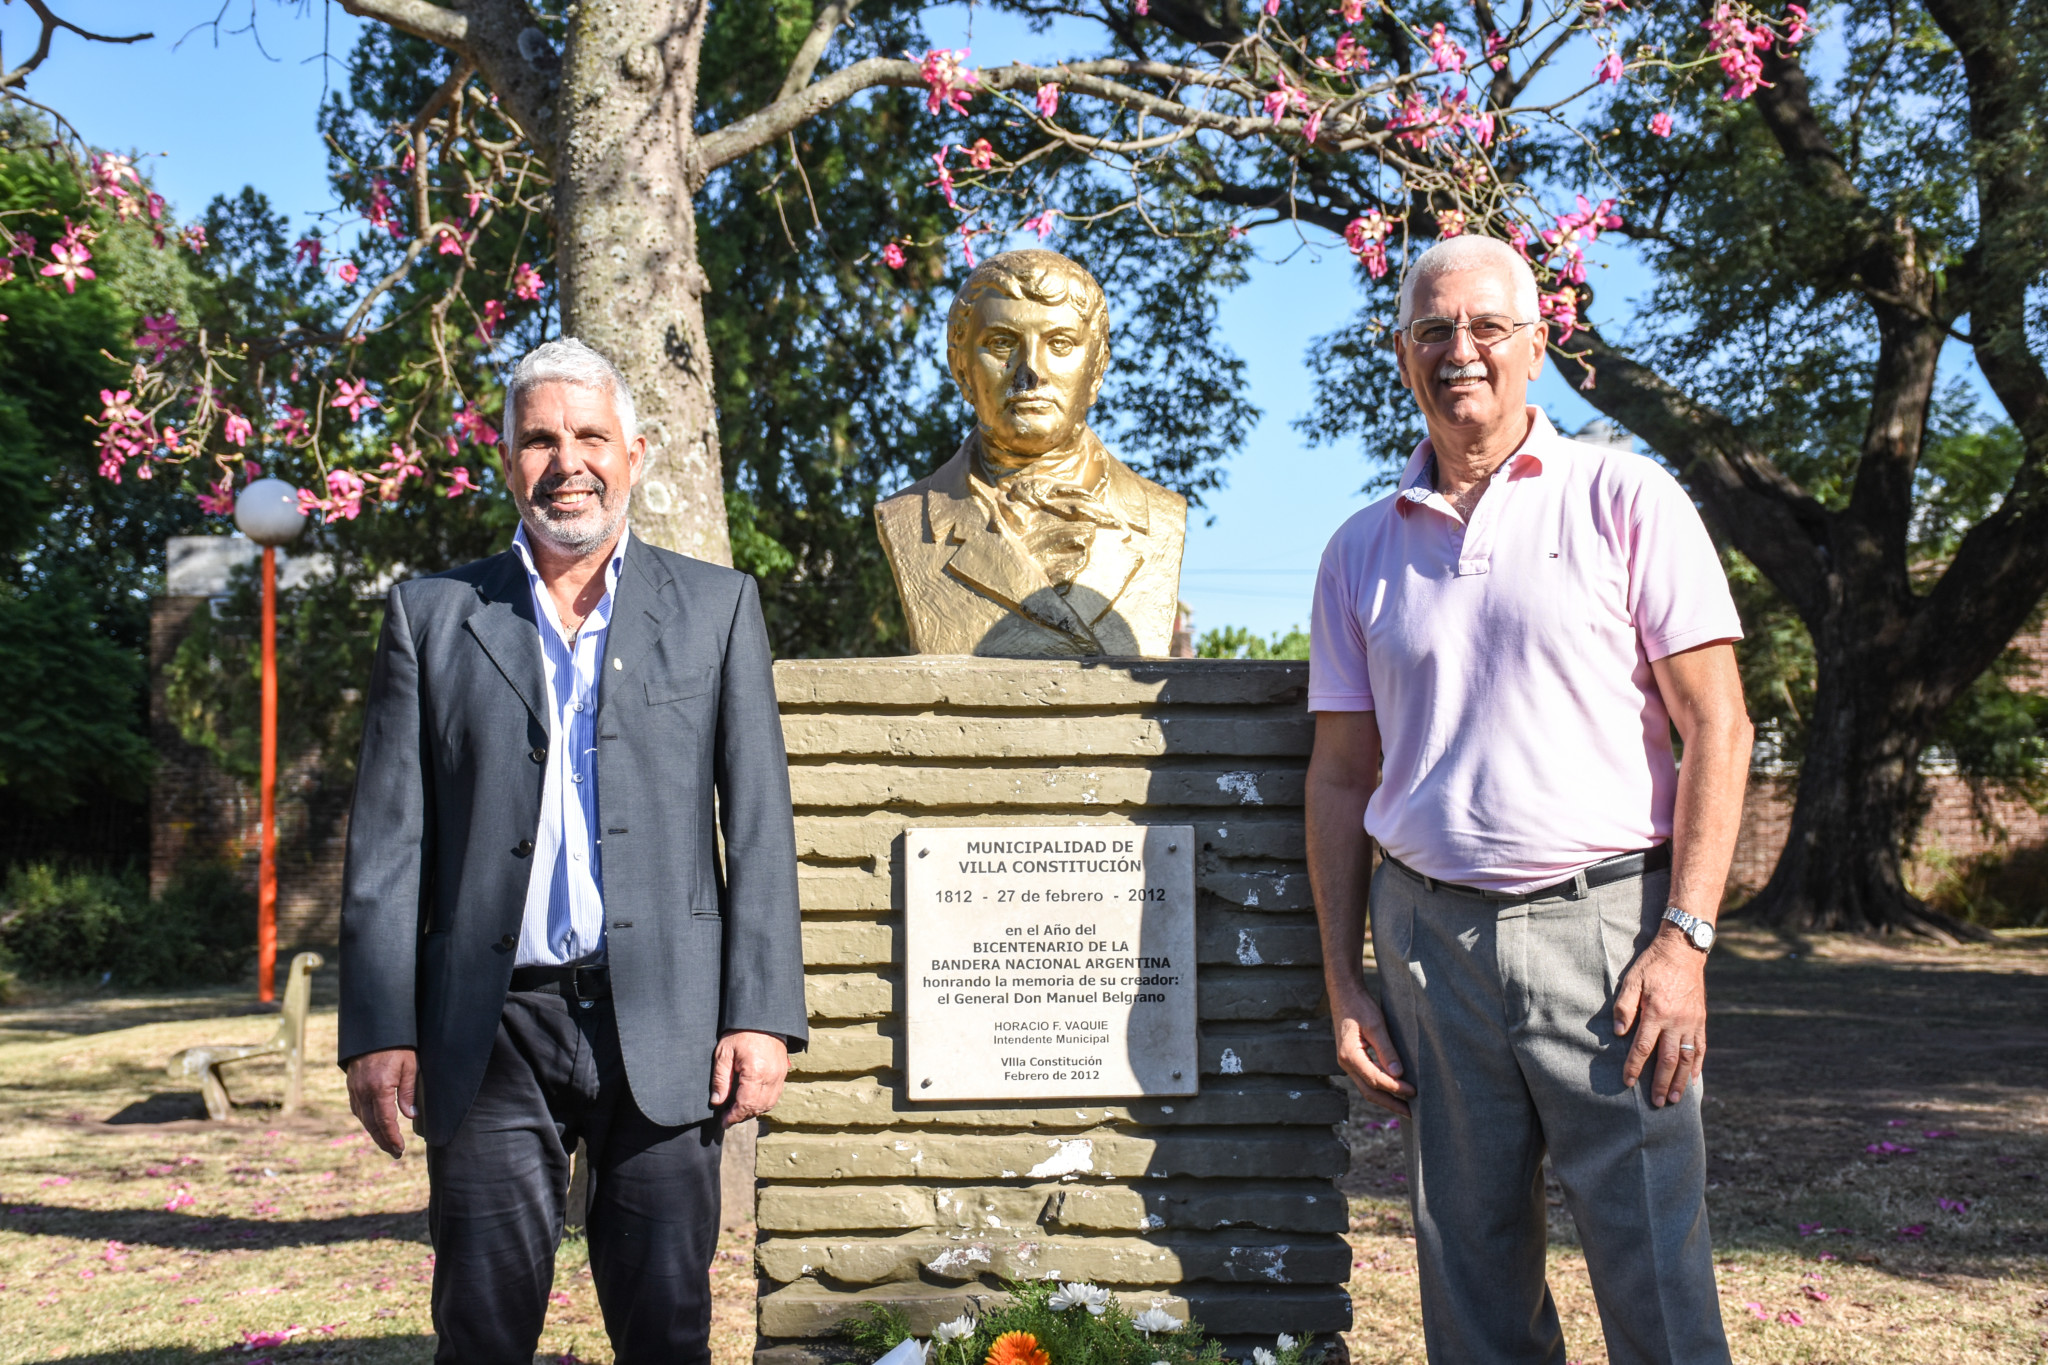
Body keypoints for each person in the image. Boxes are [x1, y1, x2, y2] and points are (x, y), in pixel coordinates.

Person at [1305, 236, 1753, 1365]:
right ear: (1401, 352)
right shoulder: (1358, 550)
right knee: (1470, 1274)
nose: (1460, 351)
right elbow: (1340, 775)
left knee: (1651, 1266)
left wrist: (1684, 940)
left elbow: (1718, 726)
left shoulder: (1624, 496)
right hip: (1427, 941)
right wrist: (1342, 979)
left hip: (1606, 935)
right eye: (1432, 330)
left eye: (1486, 328)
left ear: (1534, 344)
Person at [338, 337, 807, 1364]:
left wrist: (761, 1014)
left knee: (667, 1330)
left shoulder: (718, 608)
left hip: (668, 1023)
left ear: (634, 452)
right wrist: (376, 1025)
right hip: (489, 1024)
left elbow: (760, 821)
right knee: (483, 1329)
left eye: (590, 436)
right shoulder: (432, 616)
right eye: (540, 439)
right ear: (505, 459)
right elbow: (388, 840)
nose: (568, 463)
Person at [874, 249, 1186, 657]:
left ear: (1097, 368)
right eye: (1002, 343)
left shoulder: (1161, 517)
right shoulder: (907, 520)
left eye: (1060, 343)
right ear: (961, 368)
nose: (1030, 371)